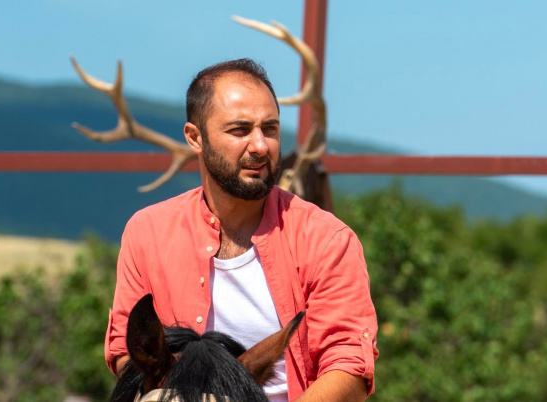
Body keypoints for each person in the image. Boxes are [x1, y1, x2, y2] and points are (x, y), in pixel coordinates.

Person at [105, 58, 378, 401]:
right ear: (195, 138)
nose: (261, 146)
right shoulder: (147, 232)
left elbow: (349, 366)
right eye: (240, 130)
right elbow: (126, 352)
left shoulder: (327, 240)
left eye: (270, 129)